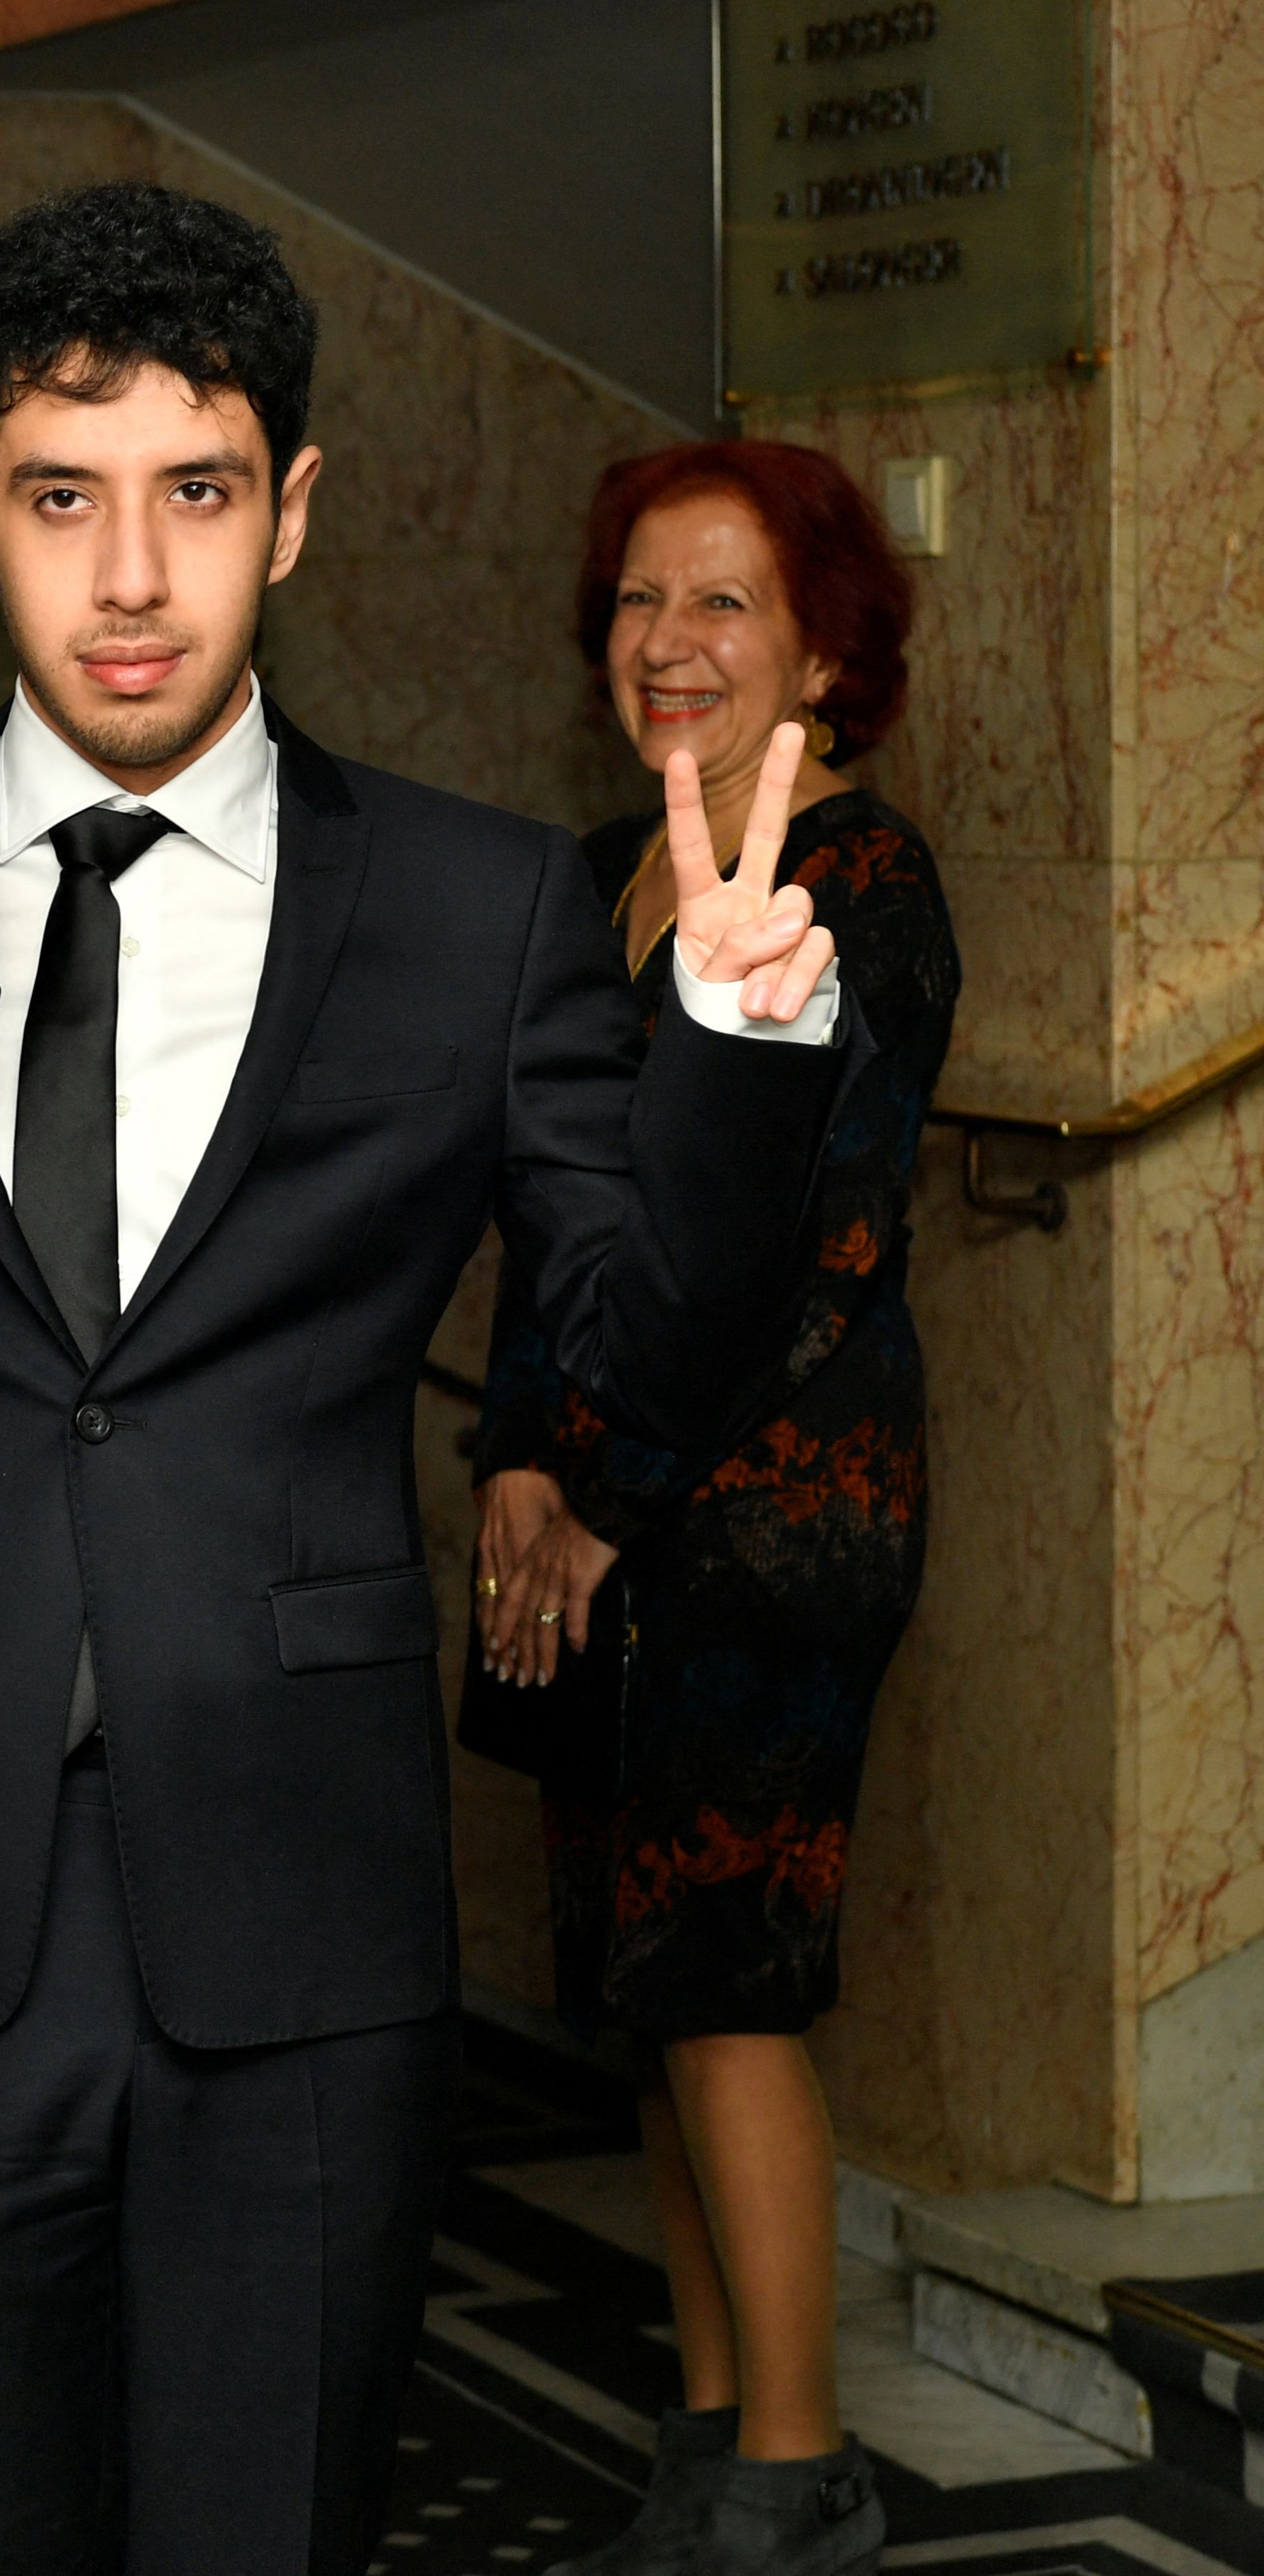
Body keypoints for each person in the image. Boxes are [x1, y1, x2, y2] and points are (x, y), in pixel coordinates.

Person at [0, 183, 859, 2575]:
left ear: (290, 510)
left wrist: (734, 1063)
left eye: (195, 492)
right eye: (61, 498)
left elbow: (649, 1366)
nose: (130, 577)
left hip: (303, 1923)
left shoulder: (470, 911)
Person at [469, 441, 954, 2576]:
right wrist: (518, 1451)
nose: (666, 642)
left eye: (723, 601)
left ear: (824, 651)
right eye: (636, 600)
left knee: (726, 1979)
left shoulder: (867, 887)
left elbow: (806, 1264)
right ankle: (701, 2442)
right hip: (604, 1496)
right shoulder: (598, 875)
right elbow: (547, 1213)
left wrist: (606, 1494)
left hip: (771, 1511)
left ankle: (793, 2473)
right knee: (640, 1988)